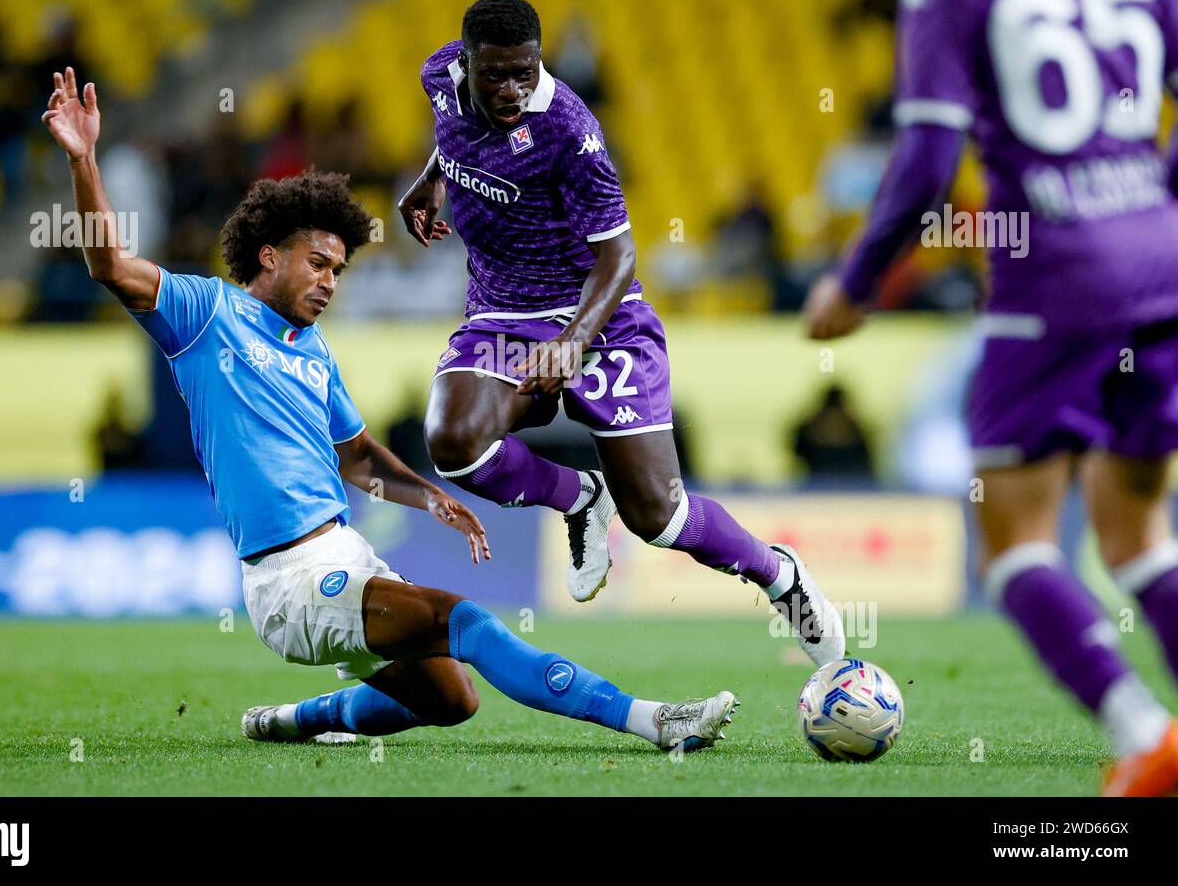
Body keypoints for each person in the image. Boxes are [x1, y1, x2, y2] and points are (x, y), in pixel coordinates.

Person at [41, 66, 736, 751]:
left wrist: (432, 496)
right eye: (317, 263)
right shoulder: (205, 314)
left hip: (348, 550)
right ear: (267, 255)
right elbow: (110, 265)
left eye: (338, 270)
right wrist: (84, 160)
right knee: (468, 623)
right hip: (291, 579)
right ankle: (651, 719)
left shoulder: (314, 354)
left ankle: (289, 720)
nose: (329, 282)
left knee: (451, 699)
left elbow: (358, 457)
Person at [802, 0, 1178, 796]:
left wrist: (855, 284)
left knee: (1014, 548)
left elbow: (931, 159)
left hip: (1052, 275)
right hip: (1159, 265)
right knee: (1139, 537)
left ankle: (1144, 732)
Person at [398, 0, 845, 666]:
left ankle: (779, 575)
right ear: (466, 64)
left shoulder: (570, 132)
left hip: (599, 322)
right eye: (495, 74)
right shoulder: (440, 78)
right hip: (501, 316)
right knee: (454, 442)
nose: (513, 88)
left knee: (659, 519)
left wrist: (574, 340)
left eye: (526, 70)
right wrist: (431, 182)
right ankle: (581, 497)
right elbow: (453, 137)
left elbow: (620, 256)